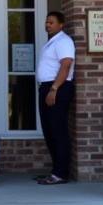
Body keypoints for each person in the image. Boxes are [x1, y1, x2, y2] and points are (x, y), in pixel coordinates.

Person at [36, 10, 75, 185]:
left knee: (58, 131)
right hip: (47, 87)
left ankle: (60, 173)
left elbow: (66, 65)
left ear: (61, 24)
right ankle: (55, 170)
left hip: (57, 88)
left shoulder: (64, 41)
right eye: (46, 22)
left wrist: (54, 89)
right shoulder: (51, 42)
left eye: (51, 22)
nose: (47, 25)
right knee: (49, 130)